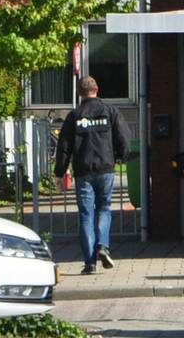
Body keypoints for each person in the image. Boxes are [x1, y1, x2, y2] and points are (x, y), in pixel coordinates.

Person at [54, 76, 131, 274]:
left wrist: (60, 172)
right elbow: (124, 135)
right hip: (105, 168)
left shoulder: (74, 115)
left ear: (80, 93)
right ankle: (102, 247)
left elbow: (64, 146)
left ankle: (89, 263)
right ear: (97, 89)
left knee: (86, 215)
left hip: (83, 171)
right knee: (104, 208)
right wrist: (121, 156)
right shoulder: (110, 111)